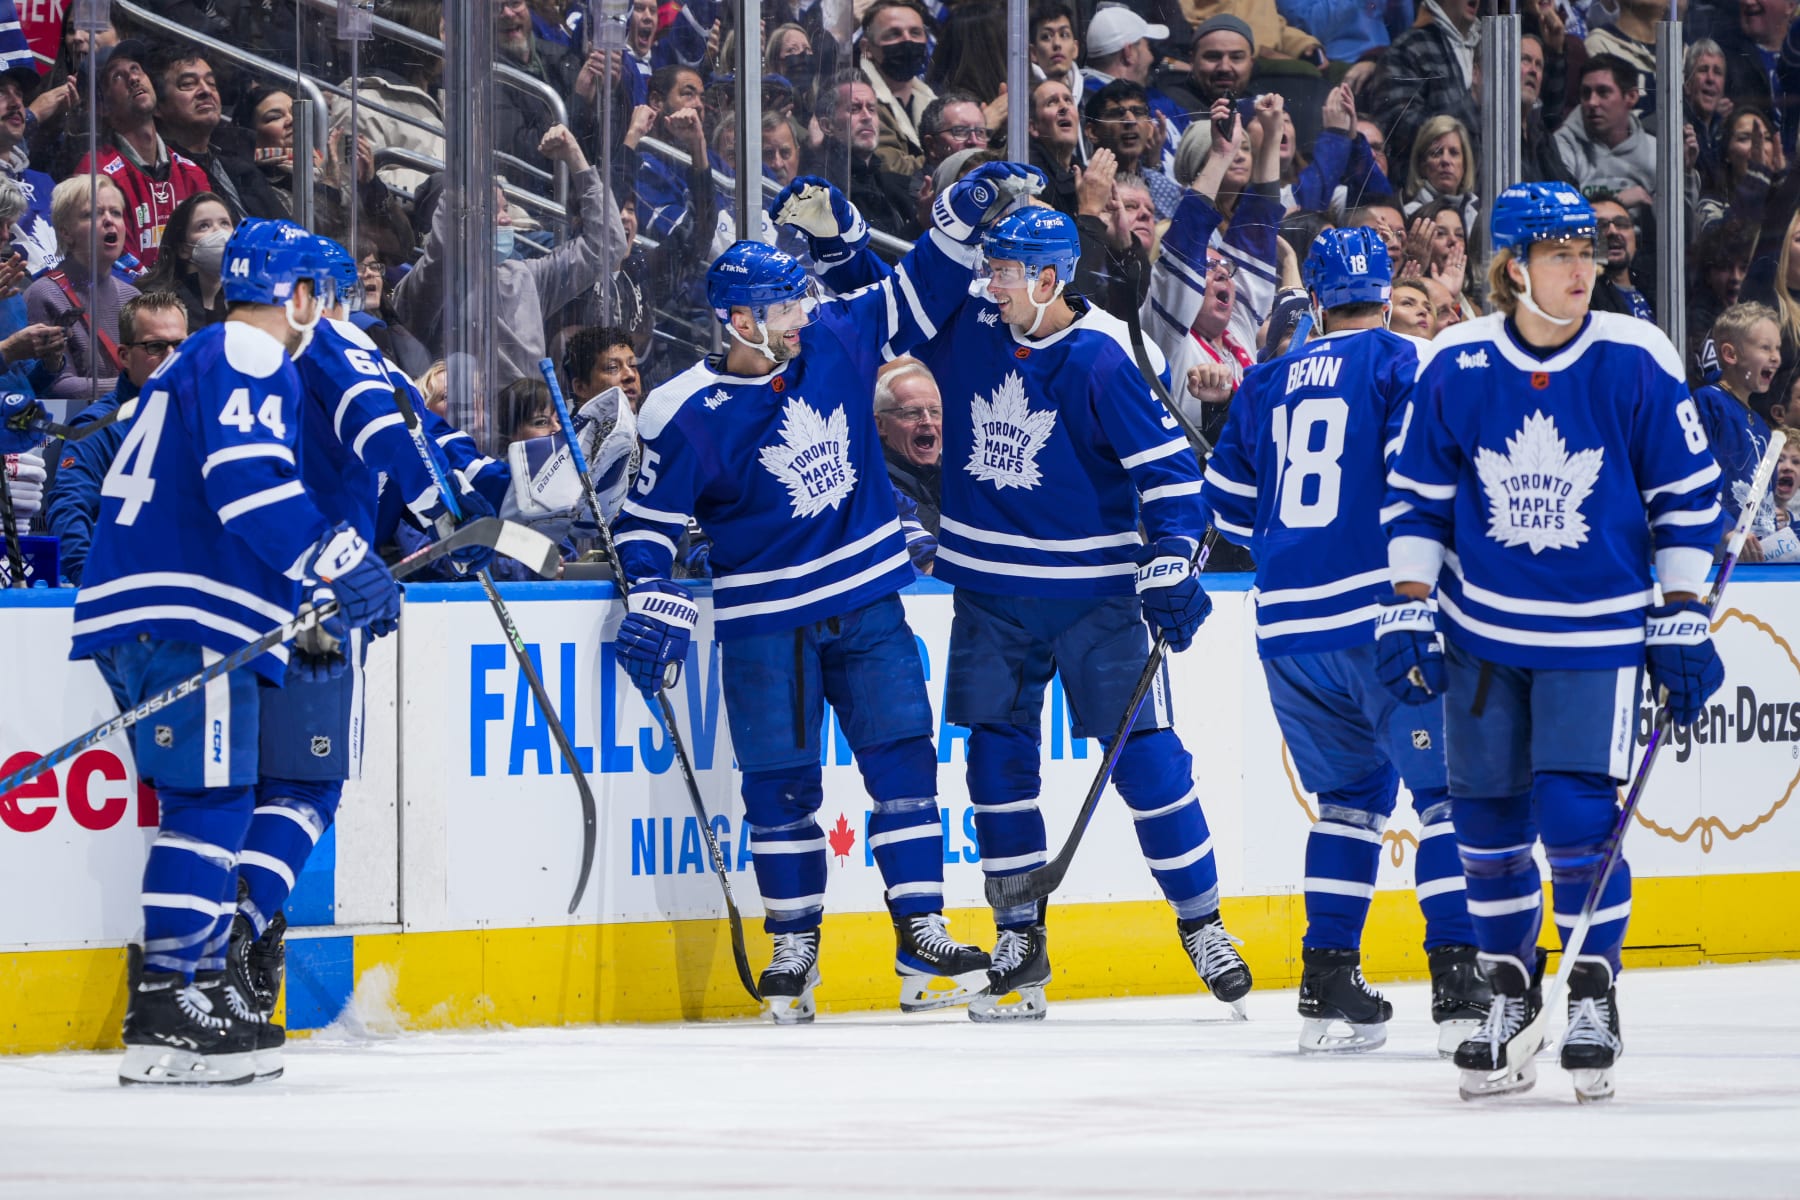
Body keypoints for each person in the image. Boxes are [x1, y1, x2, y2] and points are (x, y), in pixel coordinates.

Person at [796, 196, 1256, 1023]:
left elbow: (1171, 477)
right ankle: (1019, 940)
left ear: (1049, 278)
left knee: (1148, 765)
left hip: (1093, 600)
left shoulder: (1108, 356)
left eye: (1004, 271)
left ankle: (1204, 924)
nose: (989, 282)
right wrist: (846, 244)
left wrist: (1173, 559)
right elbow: (885, 315)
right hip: (991, 597)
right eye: (989, 268)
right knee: (998, 769)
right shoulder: (971, 324)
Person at [608, 162, 1045, 1023]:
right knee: (780, 788)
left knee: (904, 767)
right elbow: (643, 527)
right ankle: (793, 950)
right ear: (739, 320)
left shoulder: (838, 338)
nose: (801, 315)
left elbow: (917, 293)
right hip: (765, 622)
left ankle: (921, 934)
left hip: (869, 601)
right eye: (782, 308)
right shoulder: (679, 409)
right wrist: (650, 594)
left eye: (802, 300)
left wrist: (959, 217)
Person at [1378, 182, 1728, 1103]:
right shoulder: (1454, 362)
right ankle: (1507, 989)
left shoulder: (1635, 356)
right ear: (1513, 267)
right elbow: (1416, 496)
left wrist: (1683, 607)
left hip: (1599, 633)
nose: (1585, 270)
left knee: (1577, 819)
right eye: (1563, 255)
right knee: (1486, 832)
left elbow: (1687, 498)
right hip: (1483, 637)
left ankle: (1591, 992)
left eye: (1590, 255)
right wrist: (1410, 600)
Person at [52, 219, 402, 1086]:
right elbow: (248, 488)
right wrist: (339, 555)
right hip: (186, 609)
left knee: (214, 797)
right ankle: (169, 1005)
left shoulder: (201, 355)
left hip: (158, 605)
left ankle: (198, 982)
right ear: (298, 294)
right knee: (207, 803)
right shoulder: (251, 355)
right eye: (317, 293)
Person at [1201, 228, 1488, 1057]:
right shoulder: (1408, 362)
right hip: (1385, 614)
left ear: (1318, 299)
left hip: (1288, 627)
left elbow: (1223, 509)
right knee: (1447, 798)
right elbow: (1425, 476)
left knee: (1349, 805)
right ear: (1385, 287)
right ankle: (1461, 986)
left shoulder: (1265, 382)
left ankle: (1327, 987)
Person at [222, 237, 497, 1061]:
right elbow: (387, 433)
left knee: (224, 792)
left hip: (228, 589)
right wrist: (445, 509)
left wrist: (463, 472)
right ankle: (235, 936)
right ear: (321, 292)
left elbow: (410, 426)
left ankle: (229, 947)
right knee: (305, 786)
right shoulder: (335, 342)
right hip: (313, 592)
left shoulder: (226, 357)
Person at [43, 291, 188, 592]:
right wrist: (90, 582)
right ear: (124, 356)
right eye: (156, 347)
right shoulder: (99, 427)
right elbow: (69, 505)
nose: (172, 357)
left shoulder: (213, 417)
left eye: (181, 345)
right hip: (129, 593)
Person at [73, 39, 212, 271]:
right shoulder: (95, 172)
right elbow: (113, 266)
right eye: (117, 76)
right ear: (102, 107)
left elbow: (212, 252)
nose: (134, 78)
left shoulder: (192, 174)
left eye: (136, 69)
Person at [24, 175, 140, 412]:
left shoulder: (133, 296)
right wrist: (140, 383)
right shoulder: (43, 294)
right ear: (66, 232)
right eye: (93, 214)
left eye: (115, 213)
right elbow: (57, 386)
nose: (109, 220)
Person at [1692, 302, 1782, 553]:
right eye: (1765, 347)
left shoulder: (1762, 426)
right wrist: (1726, 529)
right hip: (1719, 555)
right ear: (1731, 354)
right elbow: (1695, 478)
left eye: (1778, 348)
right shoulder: (1708, 402)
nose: (1776, 356)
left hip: (1757, 556)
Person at [133, 192, 233, 329]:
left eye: (225, 223)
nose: (219, 232)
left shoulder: (239, 300)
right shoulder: (157, 303)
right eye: (204, 226)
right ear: (183, 249)